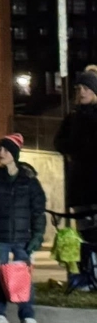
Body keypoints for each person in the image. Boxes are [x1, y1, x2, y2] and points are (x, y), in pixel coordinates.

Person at [0, 133, 46, 323]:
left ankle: (27, 315)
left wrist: (37, 236)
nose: (1, 152)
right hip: (0, 239)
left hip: (23, 240)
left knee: (24, 278)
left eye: (6, 149)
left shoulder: (30, 183)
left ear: (14, 153)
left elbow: (38, 212)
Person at [53, 69, 97, 241]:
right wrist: (74, 149)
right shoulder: (73, 117)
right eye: (79, 88)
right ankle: (87, 266)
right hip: (80, 187)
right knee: (85, 236)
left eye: (86, 88)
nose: (82, 92)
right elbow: (59, 142)